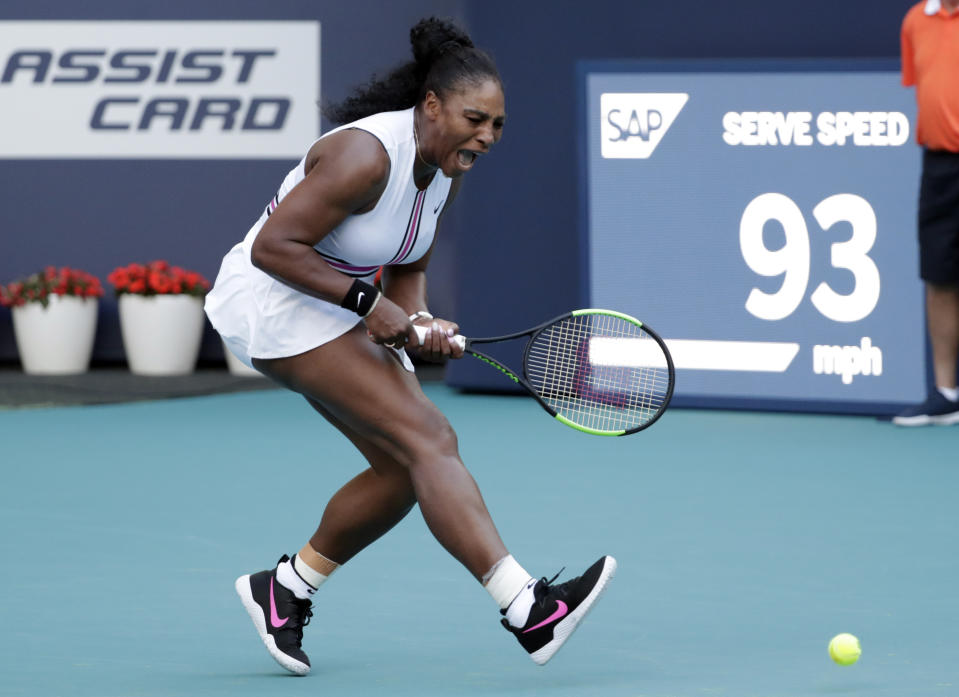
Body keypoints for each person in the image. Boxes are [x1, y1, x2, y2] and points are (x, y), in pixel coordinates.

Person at [204, 17, 616, 675]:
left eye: (497, 125)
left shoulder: (445, 170)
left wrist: (418, 320)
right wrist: (373, 306)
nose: (487, 135)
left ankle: (284, 589)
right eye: (474, 117)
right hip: (271, 301)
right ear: (429, 106)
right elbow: (273, 248)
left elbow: (407, 266)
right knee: (431, 437)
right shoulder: (365, 156)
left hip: (327, 303)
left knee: (403, 469)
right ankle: (527, 609)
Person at [895, 0, 959, 426]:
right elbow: (927, 86)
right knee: (939, 275)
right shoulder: (916, 20)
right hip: (939, 166)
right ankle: (946, 394)